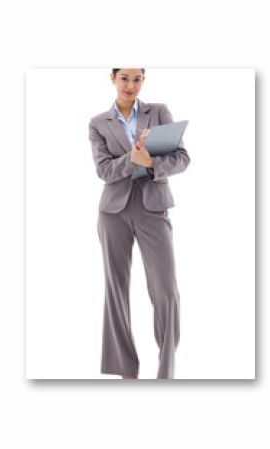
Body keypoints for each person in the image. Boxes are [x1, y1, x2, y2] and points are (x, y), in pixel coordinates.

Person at [89, 68, 190, 379]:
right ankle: (126, 372)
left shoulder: (158, 112)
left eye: (137, 79)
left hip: (153, 208)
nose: (130, 85)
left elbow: (183, 158)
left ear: (143, 80)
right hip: (113, 212)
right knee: (115, 290)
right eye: (124, 78)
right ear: (113, 78)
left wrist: (152, 163)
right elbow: (104, 171)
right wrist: (133, 158)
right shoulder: (98, 123)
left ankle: (165, 373)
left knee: (165, 290)